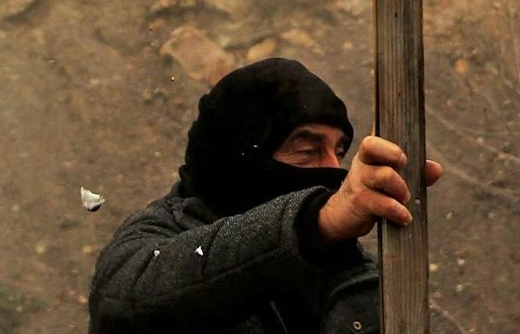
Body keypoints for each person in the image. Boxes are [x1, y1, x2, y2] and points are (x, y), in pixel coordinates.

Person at [88, 58, 442, 334]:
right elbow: (128, 304)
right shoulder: (155, 240)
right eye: (307, 151)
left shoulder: (353, 275)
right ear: (240, 157)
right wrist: (316, 221)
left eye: (340, 152)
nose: (334, 172)